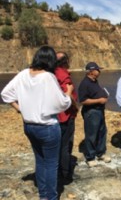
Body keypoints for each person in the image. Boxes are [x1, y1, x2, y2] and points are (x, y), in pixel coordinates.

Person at [1, 46, 73, 200]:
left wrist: (20, 109)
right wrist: (68, 93)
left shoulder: (23, 74)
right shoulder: (47, 77)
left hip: (29, 126)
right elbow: (61, 104)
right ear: (51, 60)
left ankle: (43, 196)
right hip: (47, 127)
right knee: (51, 164)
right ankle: (51, 197)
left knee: (40, 161)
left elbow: (5, 94)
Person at [78, 62, 111, 167]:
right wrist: (99, 100)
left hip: (99, 111)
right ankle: (90, 157)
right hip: (91, 112)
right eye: (97, 69)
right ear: (91, 71)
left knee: (102, 132)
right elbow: (83, 101)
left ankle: (100, 153)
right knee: (91, 134)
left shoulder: (94, 81)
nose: (99, 71)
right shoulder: (84, 84)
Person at [54, 52, 78, 182]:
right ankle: (65, 174)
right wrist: (75, 106)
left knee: (57, 145)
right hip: (66, 115)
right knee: (66, 145)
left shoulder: (51, 74)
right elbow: (67, 95)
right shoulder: (63, 75)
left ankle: (57, 171)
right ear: (66, 62)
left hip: (55, 116)